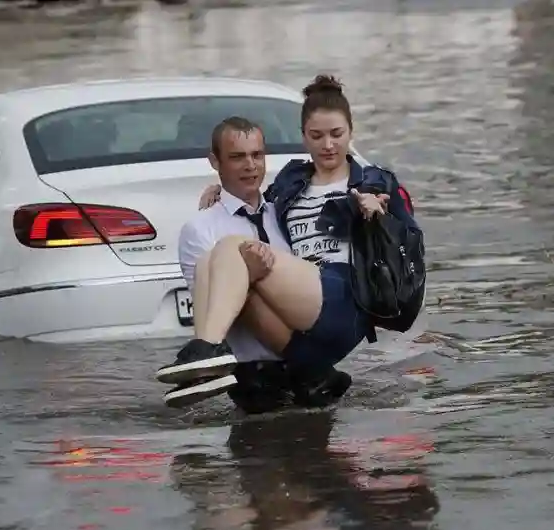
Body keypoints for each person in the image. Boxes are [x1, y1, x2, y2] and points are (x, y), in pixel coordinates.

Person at [158, 74, 421, 409]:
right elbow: (254, 200)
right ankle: (215, 367)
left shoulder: (373, 180)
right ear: (303, 138)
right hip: (302, 317)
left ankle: (205, 348)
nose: (327, 145)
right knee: (221, 260)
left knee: (231, 247)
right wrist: (219, 197)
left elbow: (409, 241)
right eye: (317, 136)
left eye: (337, 134)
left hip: (343, 293)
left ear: (351, 134)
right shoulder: (290, 184)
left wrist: (378, 216)